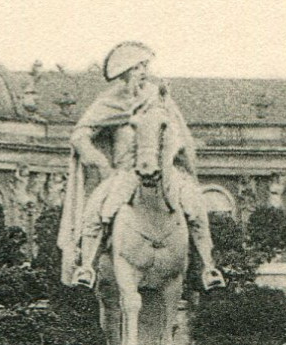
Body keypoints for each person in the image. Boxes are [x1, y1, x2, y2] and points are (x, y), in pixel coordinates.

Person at [56, 41, 223, 293]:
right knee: (97, 211)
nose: (143, 71)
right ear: (124, 73)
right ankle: (87, 266)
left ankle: (208, 267)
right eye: (137, 67)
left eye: (145, 66)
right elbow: (80, 134)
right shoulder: (109, 101)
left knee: (195, 205)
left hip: (164, 170)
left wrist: (171, 152)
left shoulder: (157, 96)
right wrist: (99, 160)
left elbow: (176, 131)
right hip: (124, 172)